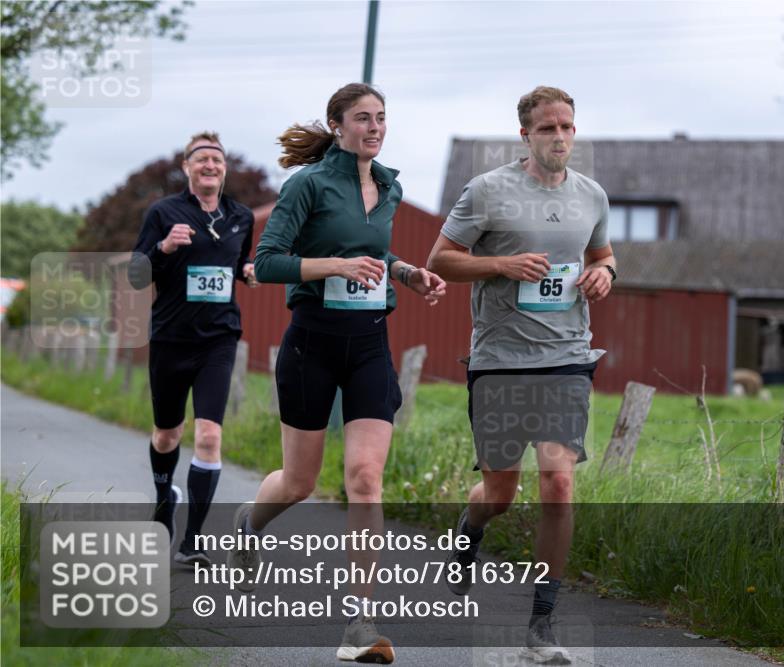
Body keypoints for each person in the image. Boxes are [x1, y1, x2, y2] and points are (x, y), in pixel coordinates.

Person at [228, 83, 445, 665]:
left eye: (381, 118)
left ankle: (359, 622)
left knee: (366, 477)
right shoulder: (308, 184)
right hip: (312, 344)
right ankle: (250, 523)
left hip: (370, 343)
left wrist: (407, 274)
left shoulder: (390, 187)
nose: (375, 128)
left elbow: (375, 255)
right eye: (363, 119)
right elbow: (266, 263)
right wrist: (335, 266)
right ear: (337, 124)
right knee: (299, 482)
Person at [427, 85, 617, 664]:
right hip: (501, 361)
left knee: (558, 484)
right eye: (547, 128)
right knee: (500, 495)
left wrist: (606, 274)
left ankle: (542, 625)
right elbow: (441, 260)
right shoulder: (488, 190)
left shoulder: (591, 196)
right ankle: (470, 529)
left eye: (567, 127)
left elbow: (602, 255)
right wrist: (501, 265)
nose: (559, 137)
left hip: (567, 358)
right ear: (526, 135)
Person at [129, 132, 258, 566]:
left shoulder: (240, 216)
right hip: (170, 337)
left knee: (208, 435)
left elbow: (238, 263)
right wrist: (163, 247)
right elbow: (136, 274)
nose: (210, 165)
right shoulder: (163, 212)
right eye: (201, 159)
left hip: (218, 339)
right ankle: (165, 498)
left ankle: (192, 540)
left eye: (216, 160)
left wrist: (248, 271)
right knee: (167, 434)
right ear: (187, 167)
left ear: (224, 169)